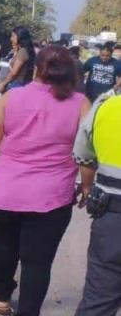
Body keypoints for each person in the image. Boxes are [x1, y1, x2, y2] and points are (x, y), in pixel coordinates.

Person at [0, 46, 89, 316]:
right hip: (51, 200)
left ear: (36, 69)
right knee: (37, 264)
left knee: (6, 245)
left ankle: (2, 297)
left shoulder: (12, 98)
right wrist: (86, 185)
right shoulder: (79, 103)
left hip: (6, 194)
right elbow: (87, 155)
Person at [74, 87, 121, 316]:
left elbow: (83, 157)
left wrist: (87, 187)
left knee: (98, 301)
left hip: (113, 217)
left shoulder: (105, 107)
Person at [0, 26, 36, 93]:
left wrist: (3, 84)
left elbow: (14, 73)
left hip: (17, 86)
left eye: (13, 36)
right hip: (21, 85)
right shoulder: (23, 50)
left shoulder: (23, 51)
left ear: (20, 37)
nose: (11, 38)